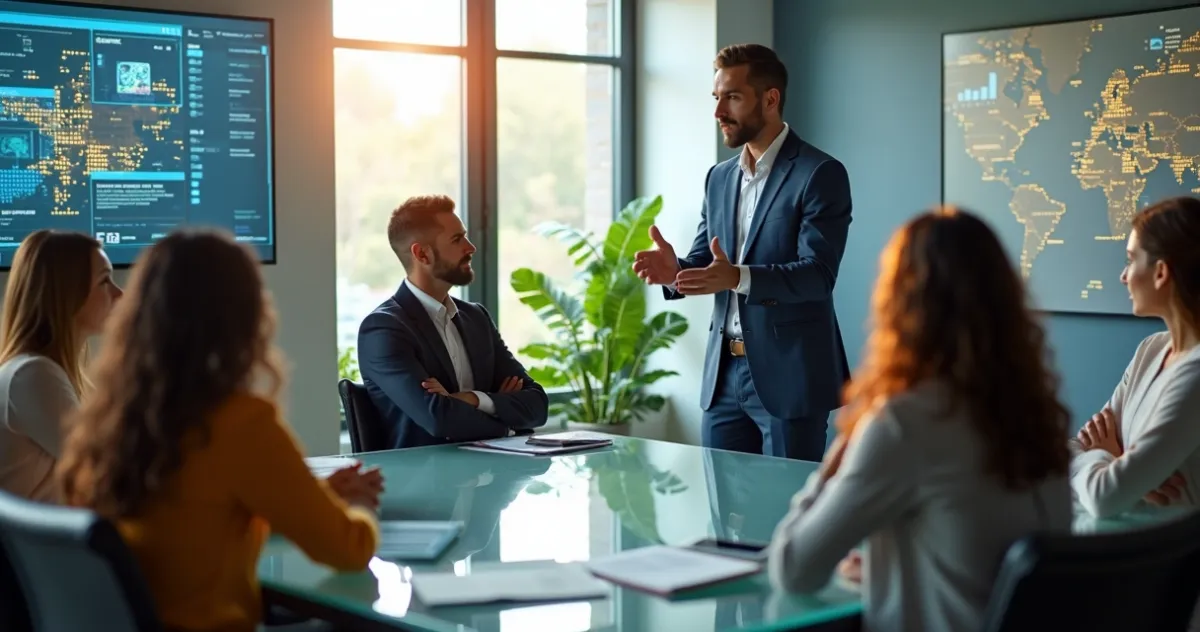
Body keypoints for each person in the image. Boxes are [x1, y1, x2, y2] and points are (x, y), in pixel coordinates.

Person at [56, 229, 381, 632]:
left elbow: (199, 515)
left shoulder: (109, 420)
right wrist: (361, 507)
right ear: (245, 316)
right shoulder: (239, 421)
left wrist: (320, 497)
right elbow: (349, 549)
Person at [766, 208, 1072, 632]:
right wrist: (890, 571)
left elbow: (793, 568)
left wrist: (837, 457)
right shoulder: (1033, 410)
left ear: (901, 302)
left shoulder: (905, 422)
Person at [632, 43, 852, 460]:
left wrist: (738, 276)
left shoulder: (820, 174)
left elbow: (817, 275)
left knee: (786, 516)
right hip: (722, 379)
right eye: (717, 98)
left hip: (791, 376)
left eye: (731, 97)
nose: (718, 112)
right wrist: (673, 272)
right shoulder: (718, 178)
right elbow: (706, 263)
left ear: (770, 99)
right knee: (723, 512)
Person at [358, 194, 548, 449]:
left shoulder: (476, 317)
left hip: (494, 477)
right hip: (427, 485)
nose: (471, 247)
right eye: (457, 239)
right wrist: (508, 426)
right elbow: (439, 419)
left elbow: (537, 405)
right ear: (422, 254)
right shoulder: (383, 330)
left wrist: (470, 399)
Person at [1072, 195, 1200, 518]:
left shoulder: (1196, 373)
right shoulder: (1151, 349)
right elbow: (1076, 446)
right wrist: (1119, 466)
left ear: (1160, 272)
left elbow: (1104, 498)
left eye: (1131, 260)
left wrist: (1111, 462)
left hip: (1175, 562)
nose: (1123, 276)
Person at [0, 230, 121, 502]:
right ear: (66, 294)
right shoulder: (31, 375)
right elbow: (109, 475)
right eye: (105, 281)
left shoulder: (35, 372)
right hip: (57, 544)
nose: (119, 293)